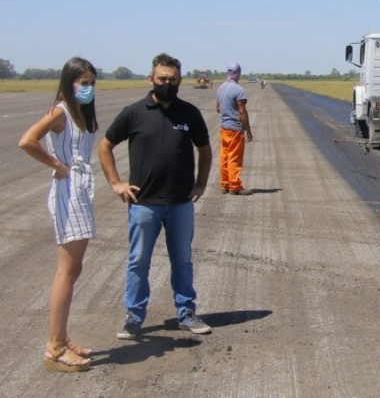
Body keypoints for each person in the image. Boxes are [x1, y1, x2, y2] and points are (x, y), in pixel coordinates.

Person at [98, 52, 213, 339]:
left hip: (180, 204)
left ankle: (186, 312)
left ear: (180, 80)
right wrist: (116, 183)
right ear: (151, 78)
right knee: (139, 260)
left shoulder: (189, 113)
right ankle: (134, 316)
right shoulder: (133, 113)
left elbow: (205, 150)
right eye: (162, 79)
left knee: (183, 260)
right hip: (144, 203)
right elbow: (105, 146)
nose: (167, 83)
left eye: (173, 80)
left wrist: (201, 184)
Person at [19, 57, 99, 372]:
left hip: (80, 192)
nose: (88, 89)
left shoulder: (80, 113)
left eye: (92, 83)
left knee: (74, 269)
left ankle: (62, 336)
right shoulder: (60, 111)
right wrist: (56, 164)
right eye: (83, 83)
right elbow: (27, 140)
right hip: (69, 194)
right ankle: (54, 346)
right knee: (66, 272)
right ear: (69, 83)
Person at [215, 62, 253, 195]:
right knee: (234, 158)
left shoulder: (221, 88)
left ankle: (224, 184)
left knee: (224, 156)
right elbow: (242, 112)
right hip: (235, 129)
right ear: (238, 73)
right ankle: (235, 186)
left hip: (223, 127)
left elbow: (218, 108)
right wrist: (248, 130)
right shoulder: (238, 89)